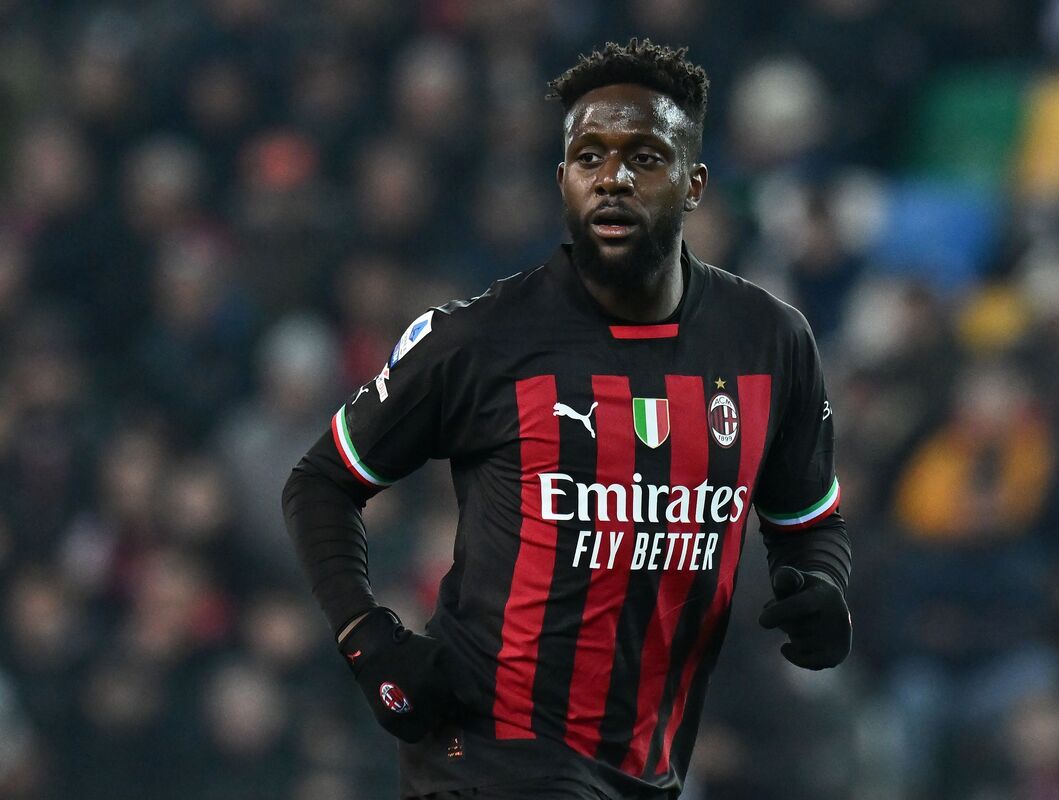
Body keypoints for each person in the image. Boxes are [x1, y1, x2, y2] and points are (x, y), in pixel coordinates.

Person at [281, 39, 852, 800]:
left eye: (645, 157)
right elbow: (322, 480)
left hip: (645, 769)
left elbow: (808, 519)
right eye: (590, 157)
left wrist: (820, 585)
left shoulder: (770, 343)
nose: (613, 179)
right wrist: (366, 639)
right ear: (563, 181)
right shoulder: (481, 341)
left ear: (695, 184)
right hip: (487, 756)